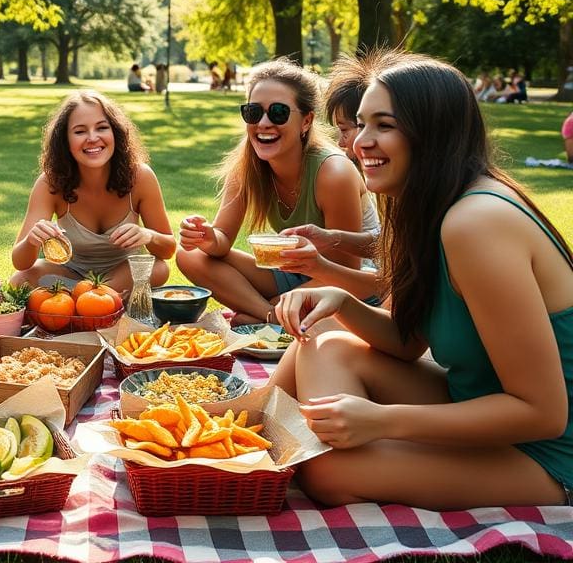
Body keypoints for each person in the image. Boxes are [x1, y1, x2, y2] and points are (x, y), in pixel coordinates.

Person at [270, 53, 573, 510]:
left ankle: (253, 429)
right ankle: (243, 426)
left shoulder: (477, 221)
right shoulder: (426, 204)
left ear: (433, 134)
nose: (360, 143)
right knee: (324, 334)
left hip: (548, 456)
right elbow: (408, 342)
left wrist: (383, 421)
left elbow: (543, 414)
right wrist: (342, 301)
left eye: (384, 125)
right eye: (360, 124)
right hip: (470, 402)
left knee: (327, 469)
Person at [177, 58, 367, 324]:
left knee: (295, 302)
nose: (263, 123)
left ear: (306, 121)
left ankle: (269, 314)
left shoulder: (333, 173)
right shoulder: (247, 165)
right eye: (254, 112)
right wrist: (207, 237)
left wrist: (284, 299)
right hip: (294, 270)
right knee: (190, 255)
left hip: (352, 283)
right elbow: (220, 244)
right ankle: (271, 317)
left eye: (278, 112)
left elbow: (347, 272)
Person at [11, 90, 175, 293]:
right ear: (65, 141)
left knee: (158, 268)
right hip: (72, 273)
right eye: (80, 131)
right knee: (21, 280)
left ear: (115, 132)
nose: (92, 138)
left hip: (124, 273)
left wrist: (147, 235)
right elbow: (20, 262)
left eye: (102, 128)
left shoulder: (140, 177)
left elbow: (167, 250)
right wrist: (32, 239)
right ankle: (100, 299)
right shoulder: (50, 184)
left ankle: (87, 298)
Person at [275, 53, 386, 300]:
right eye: (361, 125)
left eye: (384, 125)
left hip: (359, 283)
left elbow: (385, 283)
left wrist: (272, 310)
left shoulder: (464, 216)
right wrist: (331, 239)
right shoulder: (393, 191)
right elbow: (387, 245)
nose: (347, 143)